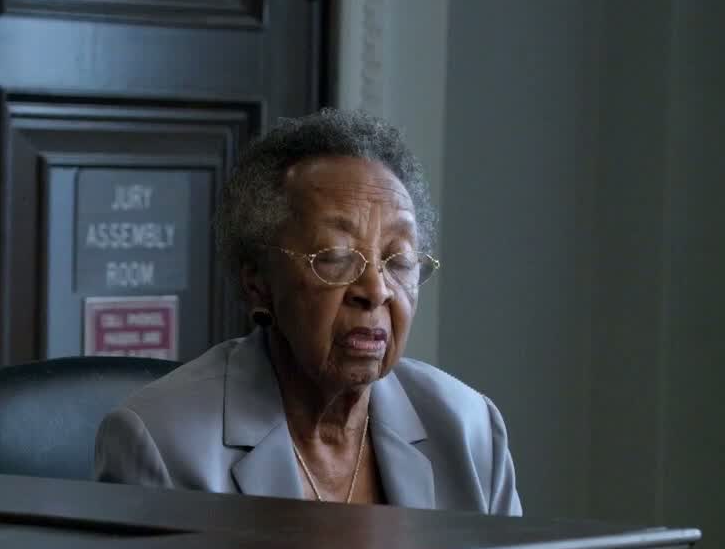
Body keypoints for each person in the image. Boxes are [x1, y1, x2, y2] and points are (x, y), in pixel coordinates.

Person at [92, 108, 522, 516]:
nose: (375, 291)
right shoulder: (164, 444)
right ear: (258, 282)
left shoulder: (468, 430)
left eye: (400, 261)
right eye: (335, 257)